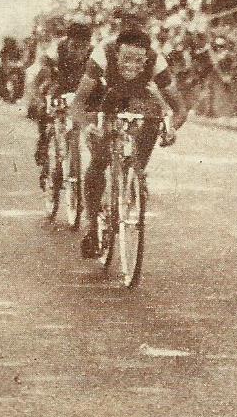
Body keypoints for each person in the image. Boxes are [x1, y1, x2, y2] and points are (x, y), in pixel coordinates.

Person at [70, 29, 188, 258]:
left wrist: (171, 128)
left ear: (147, 58)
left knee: (149, 128)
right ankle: (92, 227)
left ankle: (130, 182)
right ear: (116, 54)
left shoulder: (157, 62)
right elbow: (77, 105)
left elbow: (180, 110)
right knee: (99, 161)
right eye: (126, 59)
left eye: (138, 61)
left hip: (139, 100)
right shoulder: (102, 55)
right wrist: (87, 126)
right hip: (104, 97)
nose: (132, 67)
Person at [34, 22, 94, 183]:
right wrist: (43, 97)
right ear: (67, 41)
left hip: (81, 88)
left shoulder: (93, 52)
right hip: (60, 83)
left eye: (83, 47)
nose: (79, 52)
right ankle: (43, 143)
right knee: (45, 109)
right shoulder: (56, 49)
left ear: (89, 45)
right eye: (75, 46)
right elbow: (41, 74)